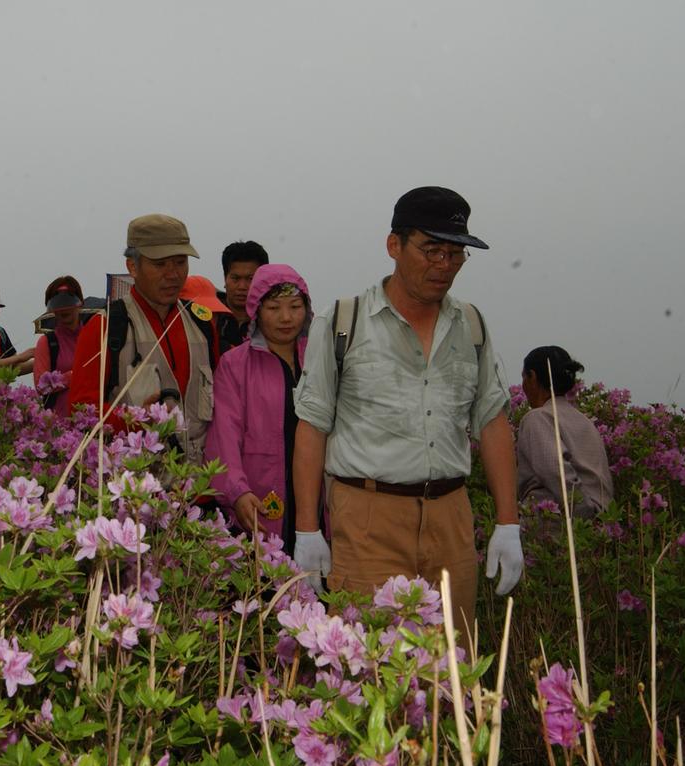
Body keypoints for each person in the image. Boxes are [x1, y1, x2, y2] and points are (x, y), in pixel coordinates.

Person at [291, 186, 521, 647]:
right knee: (367, 665)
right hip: (367, 518)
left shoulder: (471, 325)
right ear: (394, 245)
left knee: (451, 667)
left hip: (451, 518)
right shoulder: (343, 322)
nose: (444, 264)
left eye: (456, 253)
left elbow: (492, 422)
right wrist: (307, 530)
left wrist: (507, 523)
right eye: (432, 249)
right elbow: (313, 427)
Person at [69, 213, 219, 463]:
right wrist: (136, 422)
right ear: (132, 267)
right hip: (137, 492)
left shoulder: (202, 325)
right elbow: (81, 412)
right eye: (160, 264)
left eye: (181, 262)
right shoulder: (105, 327)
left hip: (202, 488)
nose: (173, 274)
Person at [205, 265, 312, 553]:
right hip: (259, 495)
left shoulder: (320, 360)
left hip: (314, 499)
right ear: (256, 311)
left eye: (295, 306)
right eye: (274, 307)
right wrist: (237, 491)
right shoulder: (235, 365)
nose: (286, 317)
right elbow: (225, 435)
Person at [516, 346, 613, 518]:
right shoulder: (585, 421)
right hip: (600, 523)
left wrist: (583, 515)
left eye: (524, 377)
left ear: (532, 377)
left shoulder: (537, 418)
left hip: (557, 528)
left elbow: (557, 472)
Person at [32, 276, 84, 415]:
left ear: (79, 304)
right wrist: (72, 377)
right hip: (59, 425)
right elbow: (41, 386)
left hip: (92, 419)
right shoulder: (46, 342)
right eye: (58, 305)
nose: (63, 309)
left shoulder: (96, 336)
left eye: (68, 303)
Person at [217, 240, 270, 349]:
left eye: (250, 279)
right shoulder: (208, 318)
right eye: (235, 278)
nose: (242, 286)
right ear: (225, 278)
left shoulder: (272, 322)